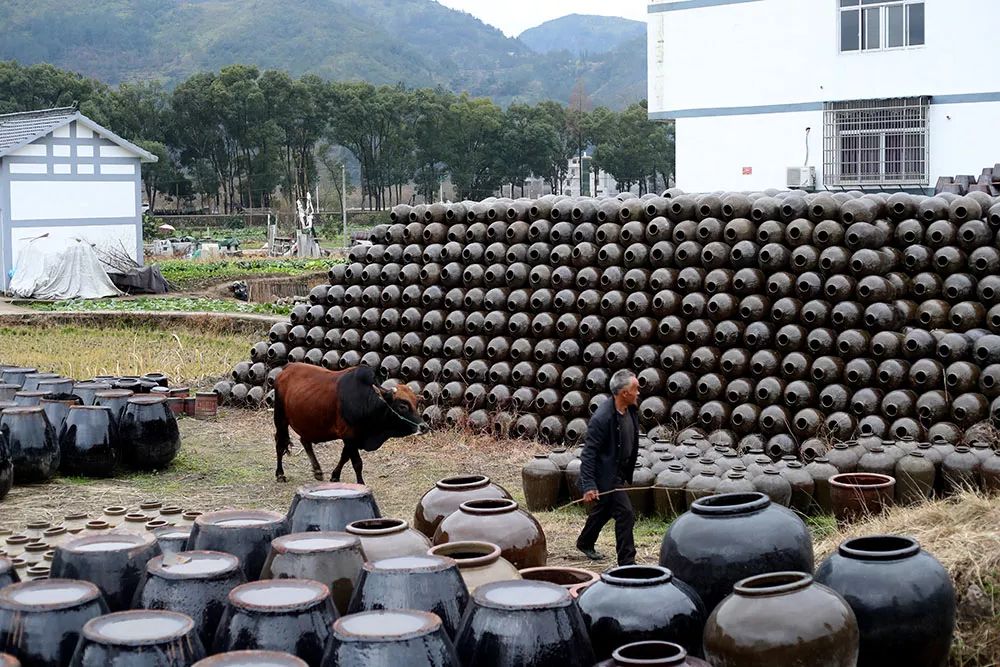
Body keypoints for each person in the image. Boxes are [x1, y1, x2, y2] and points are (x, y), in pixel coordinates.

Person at [576, 368, 640, 565]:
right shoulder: (602, 418)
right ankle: (627, 563)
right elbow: (588, 454)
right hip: (605, 476)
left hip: (618, 471)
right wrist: (589, 485)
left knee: (604, 508)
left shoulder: (631, 408)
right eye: (635, 389)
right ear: (624, 393)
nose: (638, 392)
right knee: (625, 514)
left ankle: (585, 541)